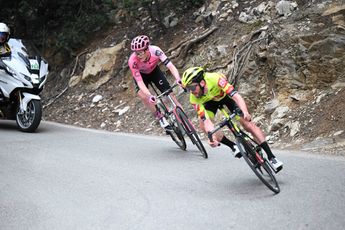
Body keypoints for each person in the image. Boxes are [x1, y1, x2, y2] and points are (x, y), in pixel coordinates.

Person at [181, 67, 283, 172]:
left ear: (202, 83)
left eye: (192, 88)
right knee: (203, 126)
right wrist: (212, 138)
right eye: (188, 89)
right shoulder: (194, 98)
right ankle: (233, 146)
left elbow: (236, 96)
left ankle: (272, 157)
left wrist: (245, 111)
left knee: (248, 124)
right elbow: (206, 120)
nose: (191, 92)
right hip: (209, 103)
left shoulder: (215, 79)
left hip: (225, 97)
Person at [128, 35, 182, 132]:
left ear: (147, 49)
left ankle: (183, 119)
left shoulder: (156, 51)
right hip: (141, 76)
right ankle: (160, 117)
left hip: (154, 71)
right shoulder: (133, 61)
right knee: (144, 96)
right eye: (136, 53)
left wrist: (178, 78)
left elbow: (170, 66)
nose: (138, 55)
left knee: (170, 94)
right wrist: (149, 96)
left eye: (140, 53)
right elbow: (140, 82)